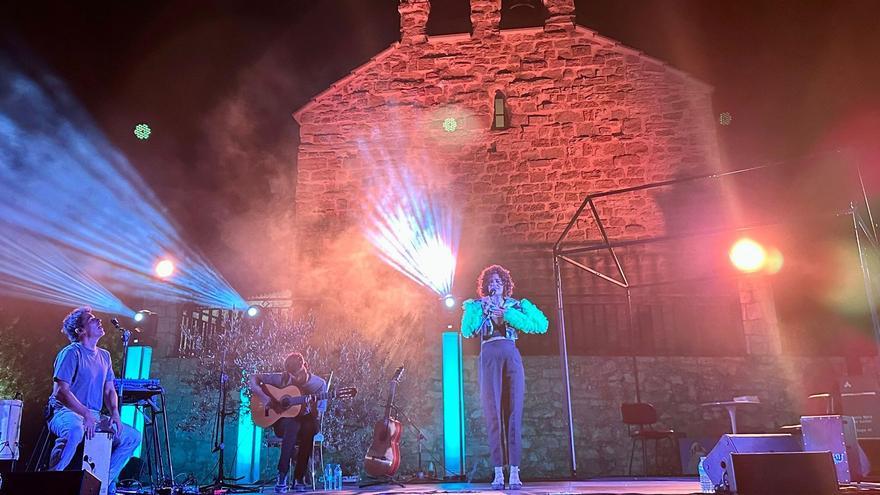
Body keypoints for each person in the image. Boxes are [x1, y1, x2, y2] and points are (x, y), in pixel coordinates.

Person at [460, 264, 548, 490]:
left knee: (514, 411)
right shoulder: (478, 305)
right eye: (491, 282)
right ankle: (498, 472)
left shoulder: (516, 305)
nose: (494, 285)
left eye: (498, 282)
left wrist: (508, 314)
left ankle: (515, 471)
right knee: (493, 412)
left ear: (505, 285)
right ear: (486, 286)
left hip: (511, 355)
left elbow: (540, 325)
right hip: (489, 356)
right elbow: (468, 330)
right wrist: (480, 312)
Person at [48, 307, 141, 495]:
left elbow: (109, 390)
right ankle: (53, 481)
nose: (99, 320)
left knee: (132, 437)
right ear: (80, 331)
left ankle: (103, 482)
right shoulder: (71, 353)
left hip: (93, 415)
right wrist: (85, 413)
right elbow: (61, 392)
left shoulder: (104, 356)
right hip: (64, 412)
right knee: (74, 431)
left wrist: (114, 413)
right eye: (91, 319)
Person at [248, 352, 327, 493]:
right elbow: (253, 377)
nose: (296, 378)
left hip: (307, 423)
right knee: (293, 423)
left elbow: (320, 412)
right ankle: (282, 475)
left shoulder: (319, 384)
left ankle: (298, 478)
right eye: (292, 375)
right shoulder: (281, 378)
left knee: (308, 427)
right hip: (283, 423)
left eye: (298, 374)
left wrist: (310, 407)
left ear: (306, 366)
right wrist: (264, 397)